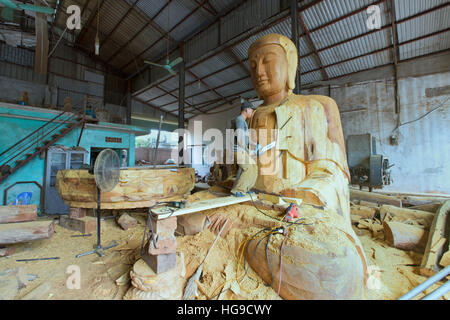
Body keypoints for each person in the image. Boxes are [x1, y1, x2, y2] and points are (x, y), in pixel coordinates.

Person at [230, 99, 259, 197]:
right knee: (248, 168)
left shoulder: (244, 122)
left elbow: (245, 139)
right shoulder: (239, 120)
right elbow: (239, 139)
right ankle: (237, 190)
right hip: (238, 150)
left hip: (242, 150)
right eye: (251, 110)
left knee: (254, 168)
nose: (252, 112)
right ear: (246, 110)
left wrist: (255, 144)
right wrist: (248, 151)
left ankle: (245, 188)